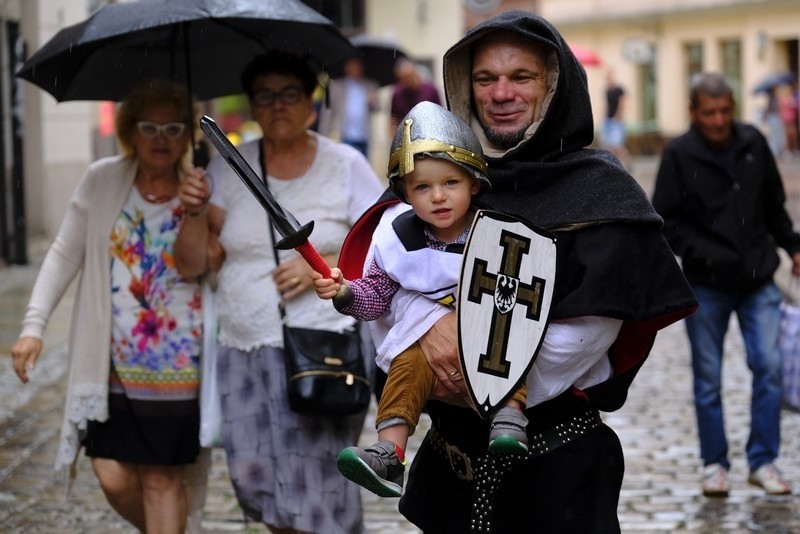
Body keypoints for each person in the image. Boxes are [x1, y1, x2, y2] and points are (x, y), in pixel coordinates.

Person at [336, 10, 697, 532]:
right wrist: (424, 320)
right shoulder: (442, 182)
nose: (501, 93)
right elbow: (385, 290)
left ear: (554, 84)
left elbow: (585, 338)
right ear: (465, 87)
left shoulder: (601, 193)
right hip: (448, 471)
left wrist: (470, 366)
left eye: (520, 77)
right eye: (485, 79)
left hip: (557, 471)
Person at [173, 51, 384, 533]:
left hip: (322, 349)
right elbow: (190, 263)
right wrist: (193, 212)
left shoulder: (345, 164)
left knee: (320, 491)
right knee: (258, 483)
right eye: (264, 95)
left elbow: (384, 246)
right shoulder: (228, 166)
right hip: (244, 349)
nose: (277, 105)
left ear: (309, 101)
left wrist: (324, 263)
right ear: (251, 105)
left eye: (290, 93)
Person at [10, 80, 210, 533]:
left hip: (179, 366)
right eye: (149, 127)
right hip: (111, 364)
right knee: (111, 473)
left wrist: (196, 210)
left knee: (161, 479)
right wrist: (33, 326)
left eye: (173, 127)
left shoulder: (199, 188)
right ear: (130, 131)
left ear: (186, 136)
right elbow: (64, 252)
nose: (161, 137)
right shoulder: (101, 179)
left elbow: (197, 266)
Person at [312, 101, 529, 499]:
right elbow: (377, 296)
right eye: (423, 187)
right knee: (406, 359)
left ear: (474, 182)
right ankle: (391, 453)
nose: (439, 197)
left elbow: (527, 299)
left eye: (451, 183)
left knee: (508, 332)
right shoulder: (395, 238)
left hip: (488, 331)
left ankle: (510, 417)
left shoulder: (501, 233)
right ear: (405, 193)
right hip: (428, 352)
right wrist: (343, 293)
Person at [652, 72, 799, 498]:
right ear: (694, 112)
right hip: (707, 283)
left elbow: (774, 204)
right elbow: (665, 222)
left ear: (732, 108)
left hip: (759, 278)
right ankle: (714, 464)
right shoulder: (679, 153)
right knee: (708, 379)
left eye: (724, 111)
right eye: (709, 112)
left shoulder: (753, 142)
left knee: (768, 367)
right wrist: (703, 252)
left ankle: (763, 460)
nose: (718, 120)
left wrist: (792, 246)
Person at [318, 55, 379, 158]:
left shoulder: (369, 85)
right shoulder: (337, 85)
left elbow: (377, 108)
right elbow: (328, 111)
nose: (355, 68)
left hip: (364, 135)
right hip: (344, 134)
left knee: (363, 165)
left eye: (357, 65)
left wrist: (373, 101)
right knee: (345, 163)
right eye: (351, 65)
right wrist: (323, 134)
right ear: (346, 67)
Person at [389, 57, 442, 134]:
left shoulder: (431, 90)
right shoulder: (397, 93)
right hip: (405, 136)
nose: (406, 81)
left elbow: (440, 115)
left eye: (408, 77)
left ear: (416, 74)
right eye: (402, 78)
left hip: (429, 134)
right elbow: (393, 117)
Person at [601, 69, 631, 170]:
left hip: (616, 120)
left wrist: (618, 116)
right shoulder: (607, 91)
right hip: (608, 120)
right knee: (608, 145)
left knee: (618, 145)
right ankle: (612, 165)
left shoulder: (619, 89)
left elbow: (621, 103)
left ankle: (628, 163)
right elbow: (607, 106)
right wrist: (604, 117)